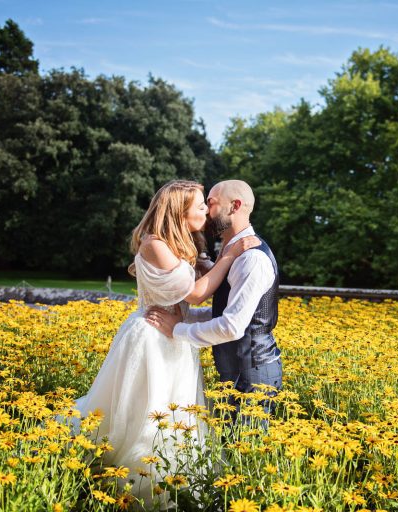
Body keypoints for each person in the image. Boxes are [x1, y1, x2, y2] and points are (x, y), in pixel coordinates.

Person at [70, 180, 258, 501]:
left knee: (175, 414)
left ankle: (175, 482)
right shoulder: (154, 243)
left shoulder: (184, 242)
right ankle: (132, 484)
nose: (206, 211)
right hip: (151, 339)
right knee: (146, 412)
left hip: (175, 338)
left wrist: (211, 261)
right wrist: (230, 255)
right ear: (179, 210)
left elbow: (197, 289)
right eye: (200, 206)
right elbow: (196, 293)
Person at [146, 180, 282, 419]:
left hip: (253, 375)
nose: (206, 210)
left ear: (234, 206)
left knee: (247, 450)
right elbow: (225, 311)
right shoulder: (234, 254)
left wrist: (177, 330)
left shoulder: (251, 259)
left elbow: (231, 326)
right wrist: (182, 318)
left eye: (211, 203)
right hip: (239, 370)